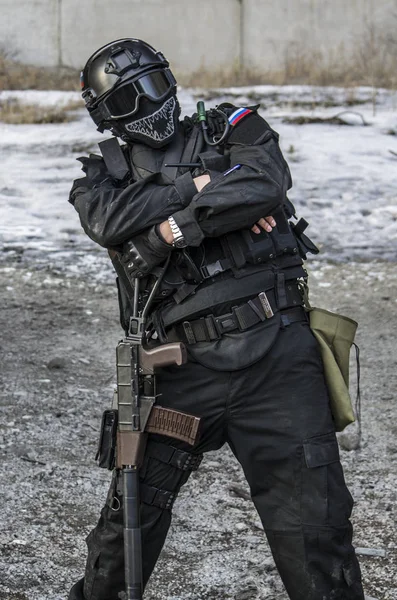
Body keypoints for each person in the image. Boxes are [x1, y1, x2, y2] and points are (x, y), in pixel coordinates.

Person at [68, 38, 365, 600]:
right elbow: (109, 223)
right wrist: (205, 188)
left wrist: (170, 231)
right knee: (127, 523)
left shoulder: (231, 126)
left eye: (155, 86)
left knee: (317, 531)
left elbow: (265, 183)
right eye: (131, 99)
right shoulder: (97, 180)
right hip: (180, 372)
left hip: (277, 356)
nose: (151, 105)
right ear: (108, 115)